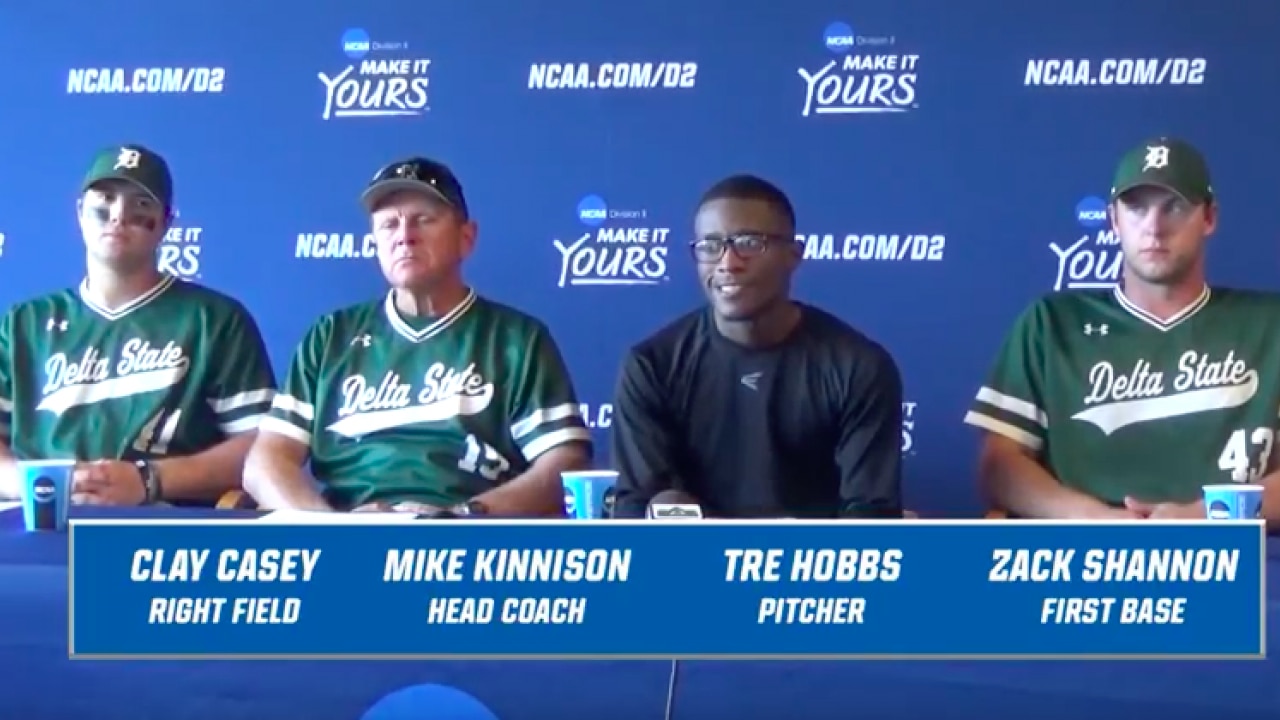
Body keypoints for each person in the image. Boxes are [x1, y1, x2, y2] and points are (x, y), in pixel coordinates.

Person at [243, 156, 592, 515]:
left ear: (466, 238)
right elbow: (265, 462)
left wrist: (459, 518)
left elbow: (564, 462)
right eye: (388, 224)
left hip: (468, 534)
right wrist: (332, 528)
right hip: (349, 528)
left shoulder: (517, 339)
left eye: (424, 220)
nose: (404, 236)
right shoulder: (331, 335)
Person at [965, 137, 1280, 522]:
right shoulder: (1051, 323)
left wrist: (1205, 517)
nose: (1154, 228)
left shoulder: (1270, 324)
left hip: (1233, 549)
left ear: (1209, 218)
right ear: (1114, 220)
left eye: (1174, 207)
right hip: (1082, 550)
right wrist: (1094, 519)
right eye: (1136, 207)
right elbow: (999, 466)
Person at [610, 174, 905, 519]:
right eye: (710, 246)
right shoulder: (652, 365)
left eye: (750, 243)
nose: (728, 263)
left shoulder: (858, 367)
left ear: (794, 255)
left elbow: (870, 516)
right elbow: (638, 507)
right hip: (694, 552)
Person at [0, 144, 277, 505]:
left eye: (141, 204)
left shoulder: (214, 319)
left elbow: (262, 447)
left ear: (166, 224)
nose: (119, 215)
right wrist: (36, 486)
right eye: (106, 199)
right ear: (80, 212)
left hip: (163, 523)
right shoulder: (25, 322)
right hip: (40, 521)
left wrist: (149, 480)